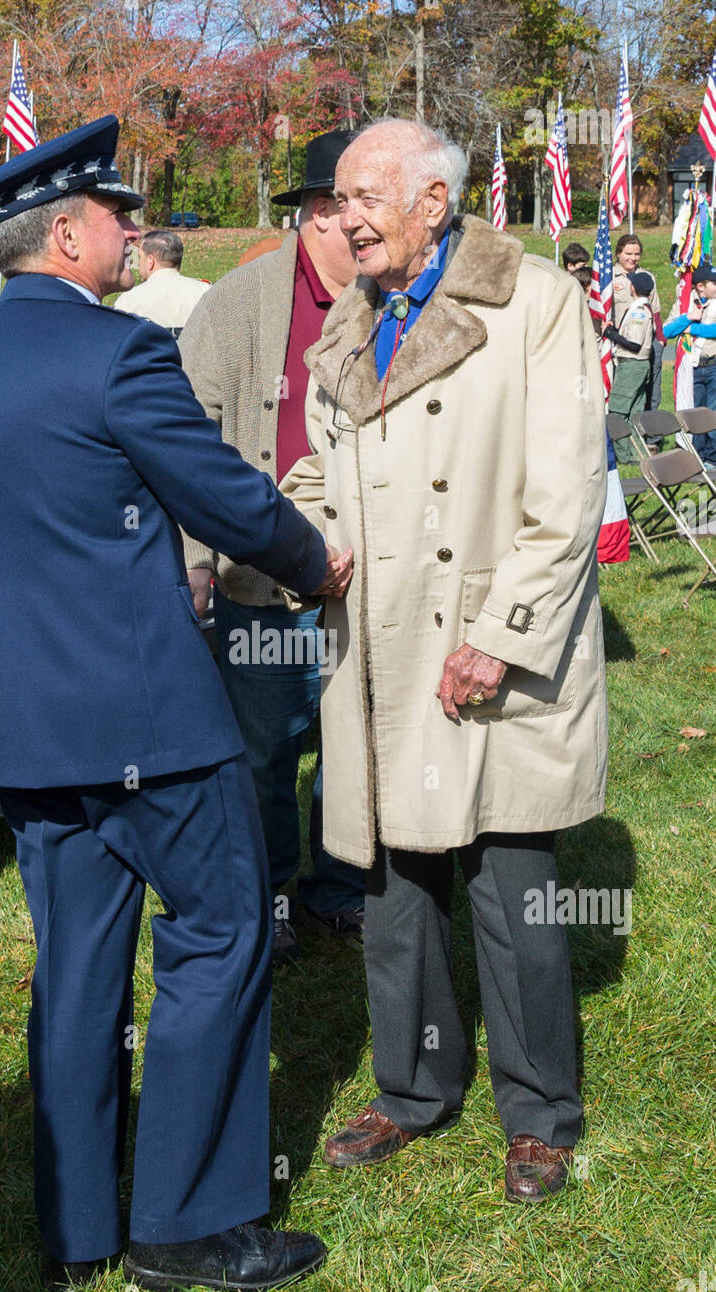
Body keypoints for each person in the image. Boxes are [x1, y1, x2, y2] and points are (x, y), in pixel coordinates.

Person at [0, 114, 352, 1292]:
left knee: (79, 967)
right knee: (218, 933)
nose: (131, 229)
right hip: (150, 719)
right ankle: (189, 1225)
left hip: (20, 729)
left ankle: (78, 1223)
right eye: (116, 215)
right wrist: (313, 561)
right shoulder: (117, 354)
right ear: (65, 235)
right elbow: (225, 499)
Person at [281, 118, 608, 1203]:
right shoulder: (346, 315)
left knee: (512, 894)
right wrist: (294, 542)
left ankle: (537, 1110)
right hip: (372, 648)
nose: (345, 218)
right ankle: (413, 1086)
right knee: (390, 891)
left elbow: (562, 502)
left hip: (482, 648)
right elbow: (315, 472)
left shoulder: (534, 300)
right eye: (337, 199)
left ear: (433, 202)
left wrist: (499, 639)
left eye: (366, 195)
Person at [179, 129, 365, 963]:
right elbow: (187, 445)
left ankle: (339, 889)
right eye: (359, 205)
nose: (374, 226)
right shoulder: (238, 303)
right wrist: (196, 561)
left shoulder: (399, 298)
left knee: (357, 747)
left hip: (372, 579)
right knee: (263, 754)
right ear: (322, 213)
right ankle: (270, 896)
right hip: (264, 577)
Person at [663, 262, 716, 465]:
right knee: (694, 412)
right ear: (700, 286)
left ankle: (712, 456)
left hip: (712, 364)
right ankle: (696, 454)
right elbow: (667, 332)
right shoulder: (685, 303)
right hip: (691, 368)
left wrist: (693, 330)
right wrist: (688, 318)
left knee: (712, 412)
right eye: (714, 283)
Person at [113, 228, 208, 335]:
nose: (139, 263)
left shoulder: (127, 301)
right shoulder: (205, 292)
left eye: (140, 257)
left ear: (150, 261)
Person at [614, 233, 666, 425]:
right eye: (628, 253)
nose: (633, 258)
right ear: (618, 253)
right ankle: (621, 434)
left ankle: (650, 438)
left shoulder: (647, 277)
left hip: (647, 341)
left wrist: (660, 341)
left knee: (652, 390)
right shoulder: (610, 278)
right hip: (621, 342)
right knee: (623, 394)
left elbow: (656, 312)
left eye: (637, 254)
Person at [605, 270, 654, 459]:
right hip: (638, 366)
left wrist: (611, 334)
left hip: (632, 365)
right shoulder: (640, 308)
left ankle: (623, 454)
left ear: (632, 288)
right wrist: (615, 330)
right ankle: (637, 454)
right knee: (635, 411)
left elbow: (633, 343)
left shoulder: (639, 313)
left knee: (618, 409)